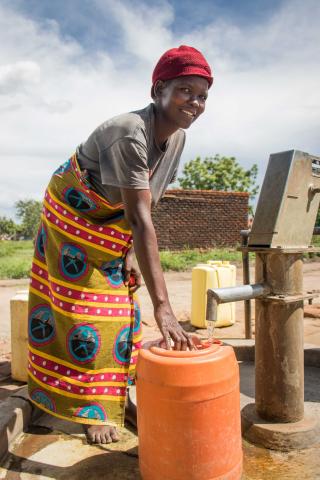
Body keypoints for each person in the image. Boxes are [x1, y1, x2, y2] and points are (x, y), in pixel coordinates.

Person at [28, 45, 213, 445]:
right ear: (157, 90)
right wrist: (166, 308)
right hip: (73, 212)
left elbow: (151, 200)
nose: (195, 103)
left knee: (125, 303)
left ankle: (114, 397)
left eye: (202, 96)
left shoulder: (177, 139)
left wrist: (130, 252)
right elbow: (139, 218)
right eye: (185, 91)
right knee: (87, 308)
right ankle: (91, 410)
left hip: (114, 220)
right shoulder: (129, 132)